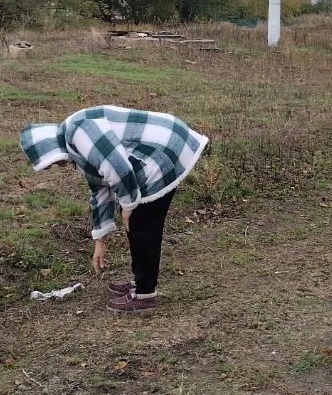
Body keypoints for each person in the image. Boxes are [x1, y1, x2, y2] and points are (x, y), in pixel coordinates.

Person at [19, 106, 207, 313]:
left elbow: (118, 167)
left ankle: (145, 294)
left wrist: (128, 205)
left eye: (52, 162)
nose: (57, 166)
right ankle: (140, 282)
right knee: (137, 219)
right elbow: (100, 188)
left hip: (164, 148)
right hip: (160, 148)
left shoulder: (78, 131)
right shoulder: (74, 144)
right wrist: (100, 240)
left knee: (141, 222)